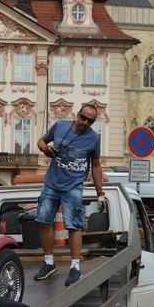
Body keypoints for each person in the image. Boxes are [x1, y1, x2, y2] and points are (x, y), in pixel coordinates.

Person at [35, 104, 103, 286]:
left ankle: (75, 267)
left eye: (91, 121)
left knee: (74, 225)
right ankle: (49, 262)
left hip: (73, 186)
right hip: (52, 183)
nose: (86, 122)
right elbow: (41, 141)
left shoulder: (94, 139)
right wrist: (46, 150)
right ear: (77, 115)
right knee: (43, 221)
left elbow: (96, 165)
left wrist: (100, 193)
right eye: (84, 118)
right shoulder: (60, 126)